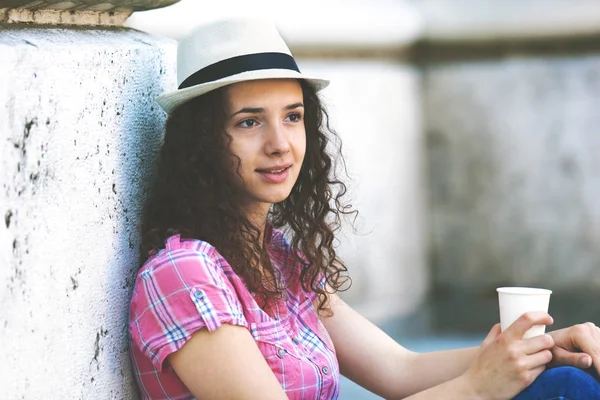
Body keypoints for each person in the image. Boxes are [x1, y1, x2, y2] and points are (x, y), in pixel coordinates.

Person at [128, 18, 600, 399]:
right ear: (202, 144)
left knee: (566, 378)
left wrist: (538, 350)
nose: (280, 145)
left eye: (293, 116)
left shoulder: (277, 258)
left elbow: (400, 369)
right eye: (249, 122)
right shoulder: (184, 273)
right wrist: (475, 388)